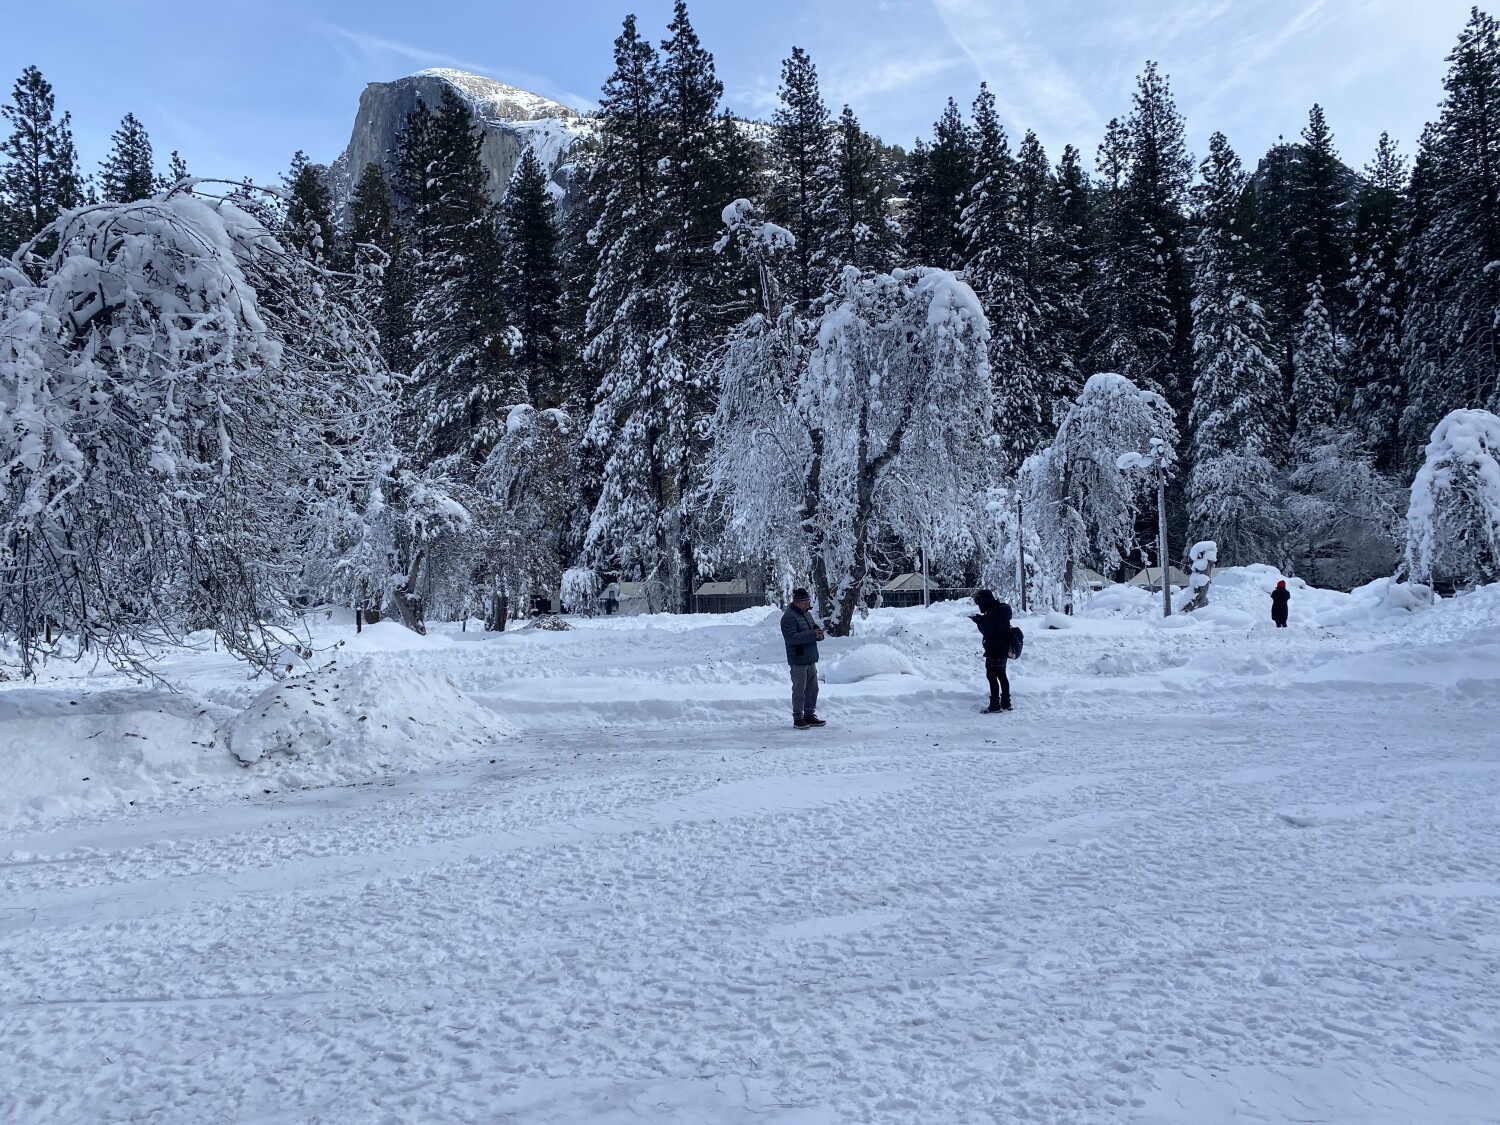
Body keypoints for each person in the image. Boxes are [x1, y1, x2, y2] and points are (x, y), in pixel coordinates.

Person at [780, 588, 826, 729]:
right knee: (799, 690)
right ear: (797, 602)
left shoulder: (807, 615)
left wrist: (819, 635)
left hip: (810, 657)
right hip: (798, 659)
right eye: (805, 603)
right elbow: (791, 638)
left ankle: (809, 715)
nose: (808, 605)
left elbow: (813, 630)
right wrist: (813, 634)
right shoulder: (788, 617)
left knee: (813, 688)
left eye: (808, 602)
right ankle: (798, 717)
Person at [970, 589, 1014, 712]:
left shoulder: (991, 613)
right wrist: (983, 619)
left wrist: (978, 622)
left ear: (985, 600)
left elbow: (987, 631)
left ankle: (994, 705)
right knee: (1002, 675)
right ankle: (1006, 703)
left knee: (991, 675)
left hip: (994, 648)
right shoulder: (1001, 610)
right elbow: (996, 625)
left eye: (979, 601)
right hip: (1003, 646)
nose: (979, 605)